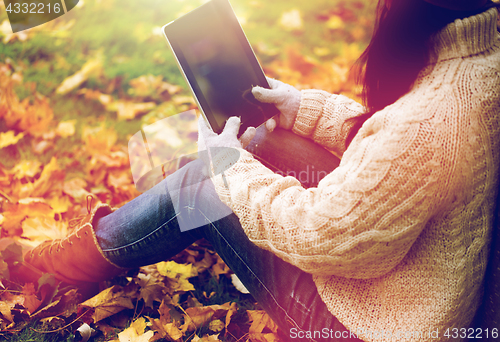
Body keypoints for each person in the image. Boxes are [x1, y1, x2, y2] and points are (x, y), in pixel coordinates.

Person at [21, 0, 500, 341]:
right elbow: (392, 145)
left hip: (371, 325)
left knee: (208, 181)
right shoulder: (482, 59)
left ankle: (59, 266)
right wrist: (299, 107)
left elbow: (326, 236)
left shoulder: (431, 121)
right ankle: (119, 230)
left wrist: (231, 169)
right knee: (261, 138)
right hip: (421, 288)